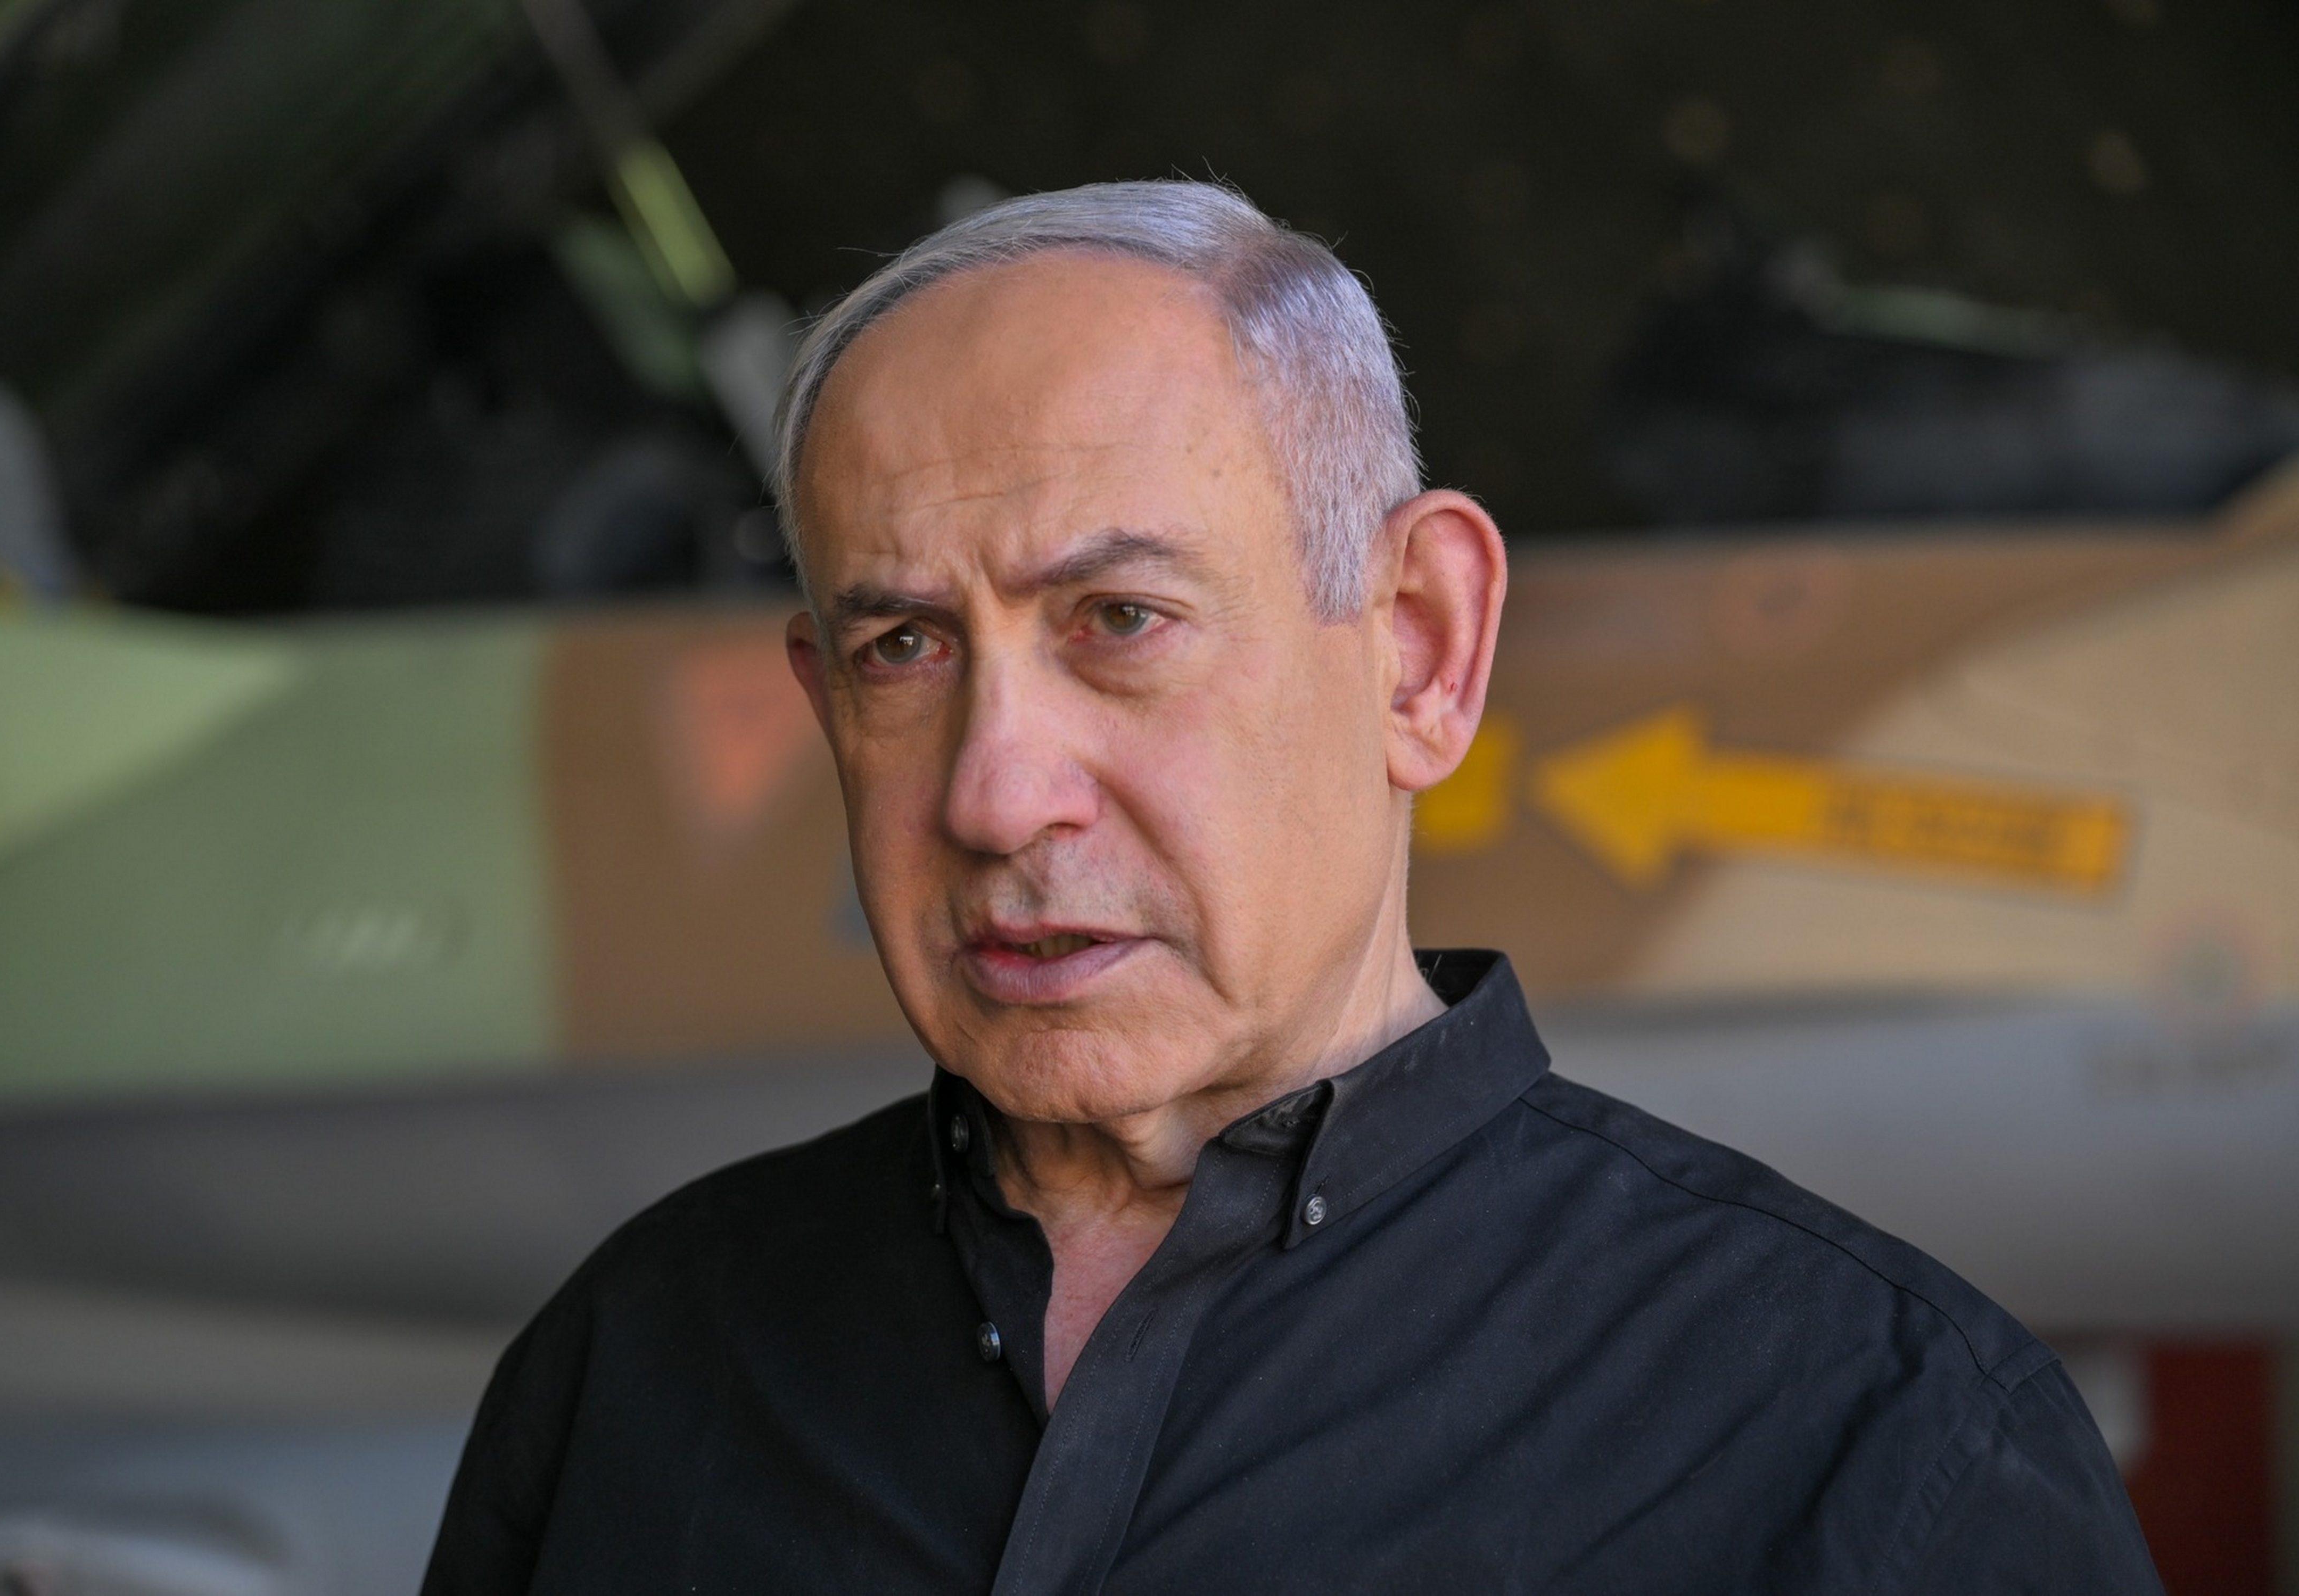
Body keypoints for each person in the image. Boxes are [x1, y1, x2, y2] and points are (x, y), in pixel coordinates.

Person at [423, 181, 2160, 1594]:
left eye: (1120, 621)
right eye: (904, 649)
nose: (993, 791)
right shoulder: (642, 1362)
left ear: (1418, 648)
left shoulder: (1878, 1447)